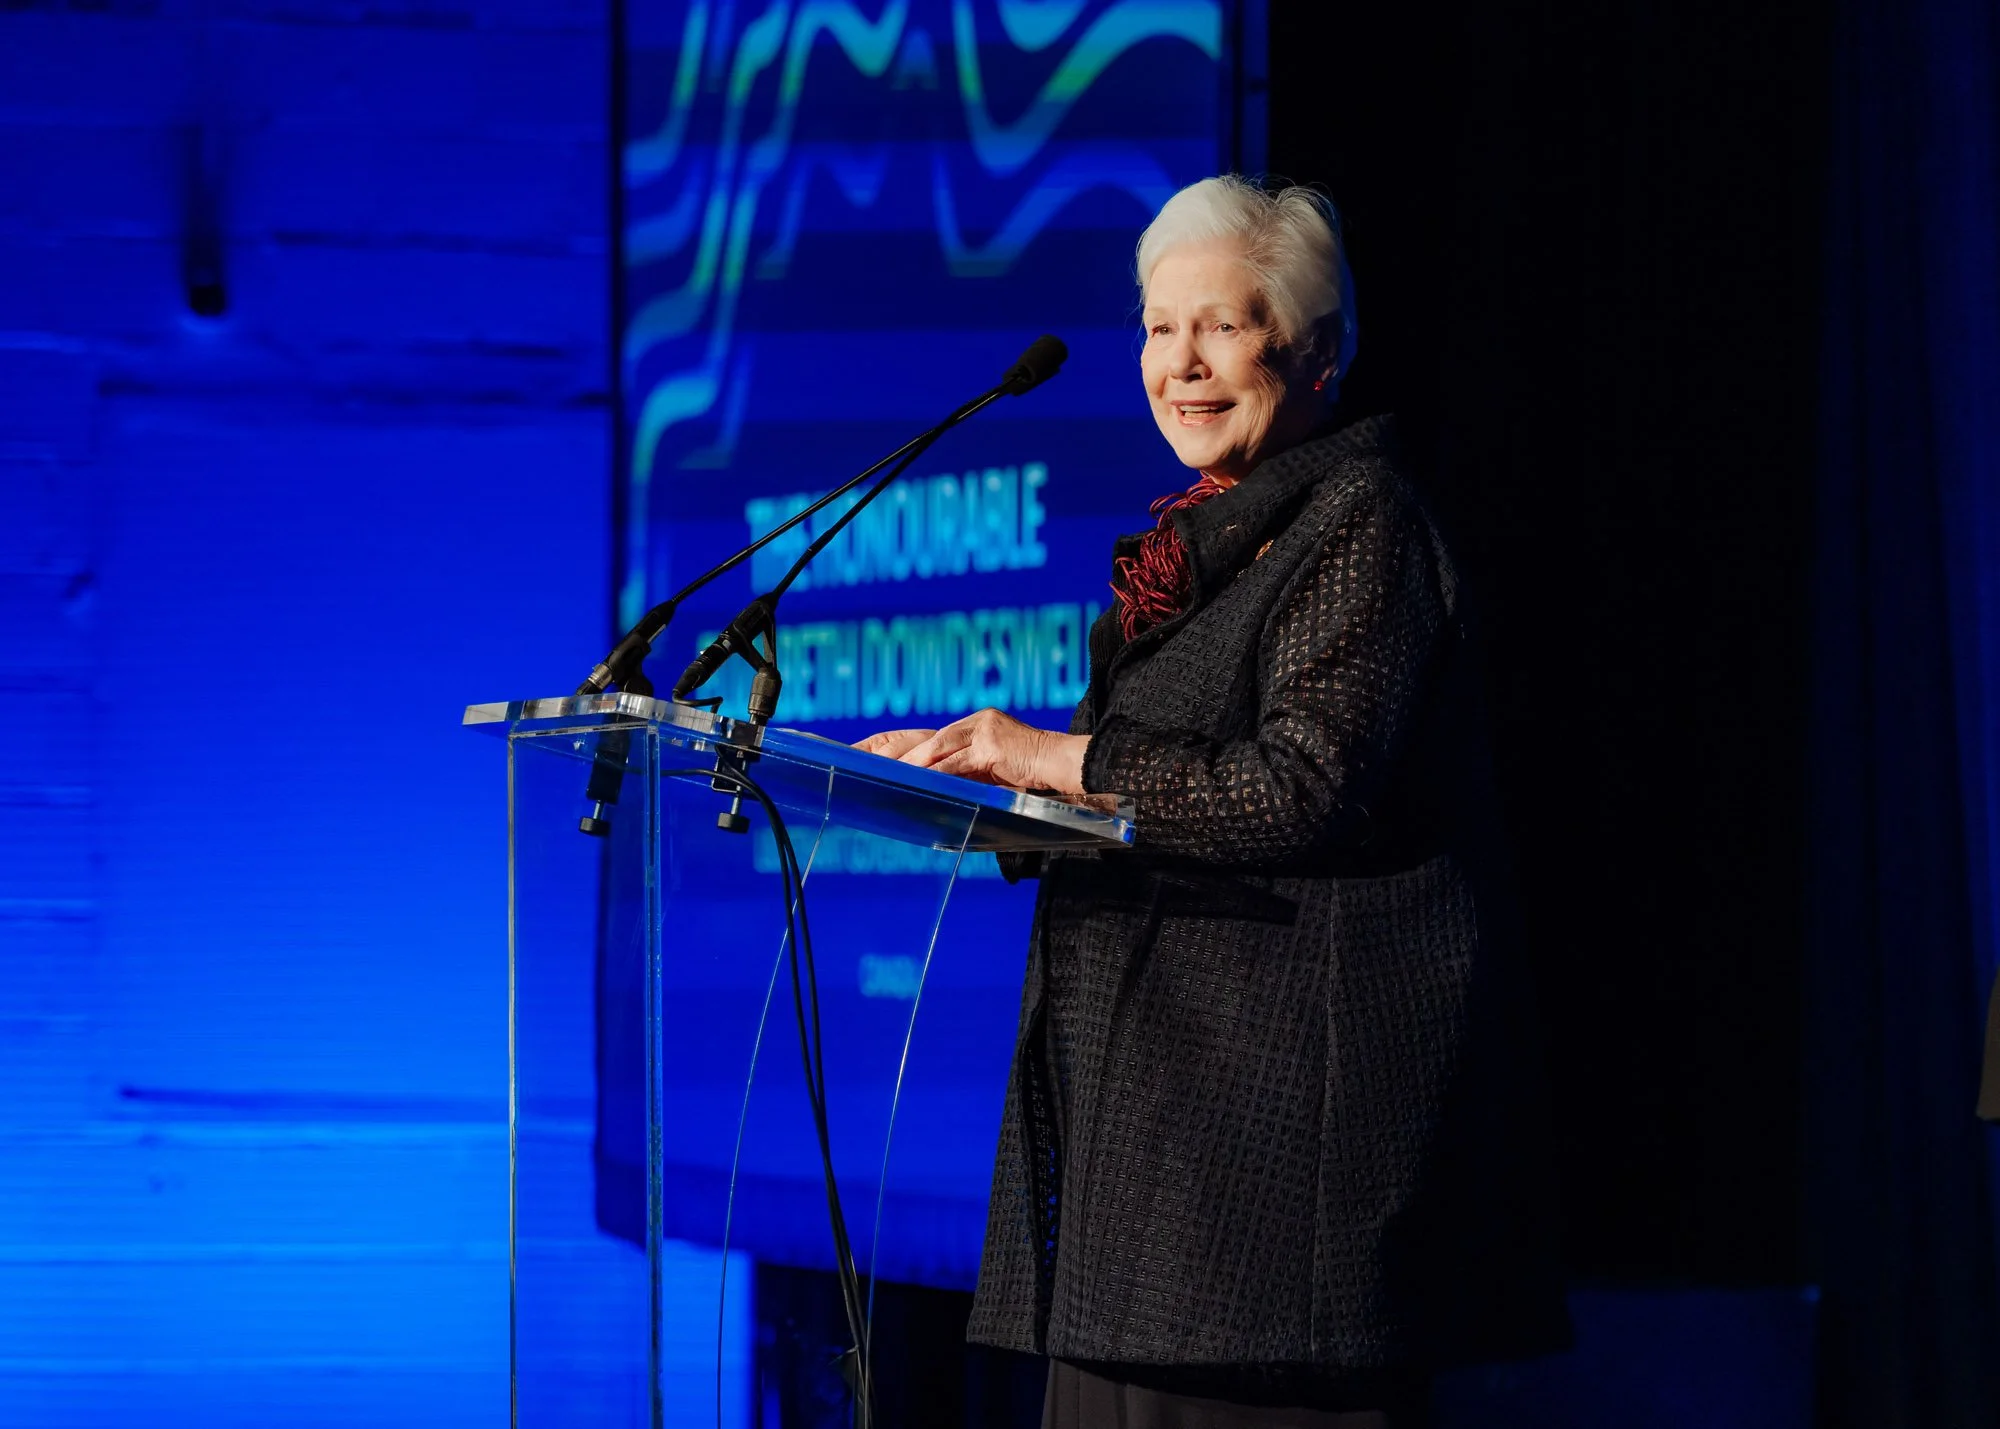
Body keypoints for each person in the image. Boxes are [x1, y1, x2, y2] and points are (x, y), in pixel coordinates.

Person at [859, 176, 1568, 1428]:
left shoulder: (1362, 523)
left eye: (1221, 326)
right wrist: (966, 788)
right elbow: (1151, 798)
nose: (1176, 363)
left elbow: (1300, 789)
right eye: (1154, 325)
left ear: (1318, 350)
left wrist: (1052, 759)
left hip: (1276, 1203)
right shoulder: (1211, 545)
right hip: (1158, 1184)